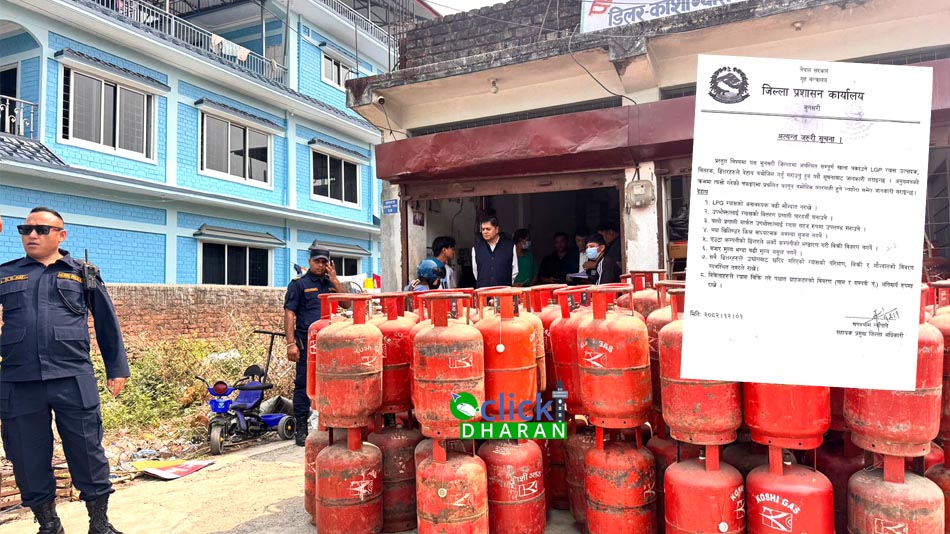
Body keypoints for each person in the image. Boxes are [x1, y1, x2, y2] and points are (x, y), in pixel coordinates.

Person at [0, 207, 129, 534]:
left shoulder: (83, 273)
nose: (32, 235)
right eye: (25, 229)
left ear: (61, 235)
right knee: (27, 455)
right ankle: (49, 524)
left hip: (72, 376)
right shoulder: (7, 273)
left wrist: (117, 368)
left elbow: (106, 322)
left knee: (87, 451)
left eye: (41, 230)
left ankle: (99, 523)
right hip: (19, 380)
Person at [283, 246, 348, 446]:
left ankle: (331, 424)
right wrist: (291, 344)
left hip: (331, 343)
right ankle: (301, 427)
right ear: (310, 262)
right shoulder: (299, 284)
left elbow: (347, 304)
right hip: (307, 343)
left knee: (333, 382)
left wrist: (335, 280)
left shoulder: (330, 284)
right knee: (304, 384)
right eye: (317, 261)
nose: (320, 265)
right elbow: (289, 313)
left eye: (323, 262)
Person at [472, 216, 518, 288]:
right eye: (483, 229)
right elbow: (476, 272)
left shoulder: (510, 246)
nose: (485, 232)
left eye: (488, 229)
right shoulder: (476, 248)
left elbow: (514, 271)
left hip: (504, 291)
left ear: (497, 229)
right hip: (483, 292)